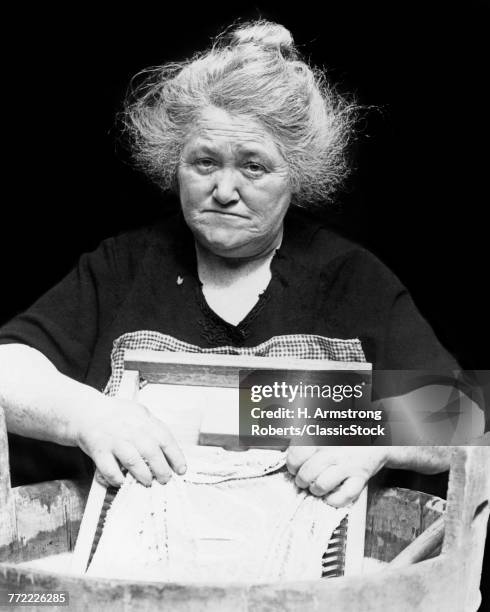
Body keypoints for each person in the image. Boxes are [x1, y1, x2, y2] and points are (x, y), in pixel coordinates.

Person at [0, 21, 483, 506]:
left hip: (309, 574)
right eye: (204, 163)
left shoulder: (349, 278)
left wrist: (366, 433)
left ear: (298, 173)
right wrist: (88, 415)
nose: (225, 191)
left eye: (254, 166)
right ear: (174, 163)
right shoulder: (122, 268)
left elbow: (463, 412)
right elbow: (8, 370)